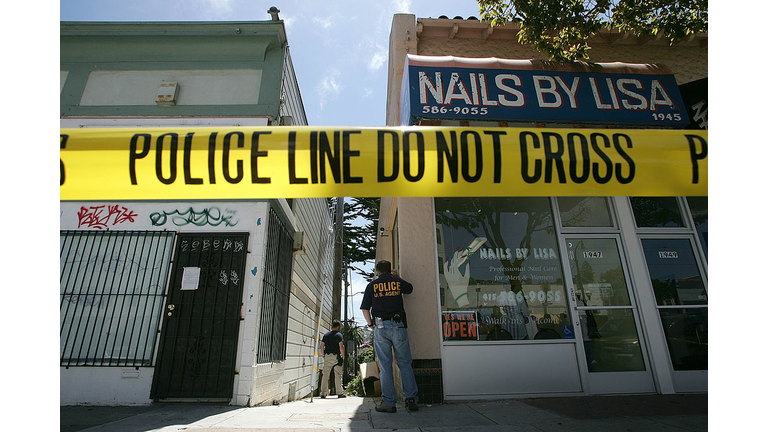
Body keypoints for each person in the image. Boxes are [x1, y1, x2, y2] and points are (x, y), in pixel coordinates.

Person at [360, 260, 418, 413]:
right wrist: (397, 277)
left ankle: (389, 402)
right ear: (389, 270)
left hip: (380, 327)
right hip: (398, 326)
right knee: (405, 363)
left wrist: (371, 324)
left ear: (377, 271)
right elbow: (410, 289)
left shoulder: (372, 286)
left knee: (385, 366)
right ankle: (411, 399)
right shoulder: (396, 283)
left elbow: (365, 309)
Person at [320, 320, 346, 399]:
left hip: (327, 356)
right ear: (338, 327)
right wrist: (343, 356)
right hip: (336, 357)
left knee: (325, 375)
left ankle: (323, 393)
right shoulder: (339, 335)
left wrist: (323, 355)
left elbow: (322, 346)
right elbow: (341, 347)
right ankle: (340, 393)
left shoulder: (326, 335)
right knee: (337, 374)